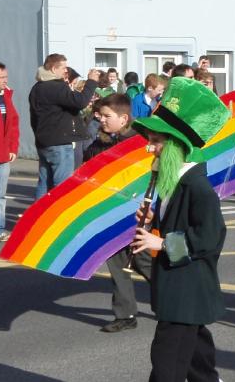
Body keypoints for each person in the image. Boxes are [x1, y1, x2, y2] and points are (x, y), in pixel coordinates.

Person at [130, 77, 230, 381]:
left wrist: (160, 244)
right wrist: (152, 224)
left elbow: (211, 237)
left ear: (175, 145)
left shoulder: (197, 186)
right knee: (198, 365)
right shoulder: (173, 181)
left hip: (187, 291)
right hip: (179, 288)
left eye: (156, 141)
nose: (150, 147)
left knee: (166, 367)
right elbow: (176, 225)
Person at [82, 94, 152, 332]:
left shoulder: (142, 144)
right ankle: (126, 314)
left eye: (106, 116)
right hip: (109, 214)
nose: (101, 119)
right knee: (117, 264)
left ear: (123, 119)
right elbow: (86, 174)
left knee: (143, 261)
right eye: (100, 115)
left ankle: (174, 300)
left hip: (138, 214)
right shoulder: (98, 144)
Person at [29, 53, 99, 199]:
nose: (66, 71)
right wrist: (91, 82)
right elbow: (80, 102)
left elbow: (35, 117)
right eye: (64, 68)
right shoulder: (56, 87)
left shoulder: (37, 88)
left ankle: (40, 219)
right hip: (59, 142)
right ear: (54, 69)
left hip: (44, 141)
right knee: (61, 187)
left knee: (44, 183)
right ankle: (56, 220)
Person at [0, 62, 19, 242]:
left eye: (6, 77)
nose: (5, 80)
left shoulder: (7, 97)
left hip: (4, 154)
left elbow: (14, 125)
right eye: (2, 77)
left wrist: (13, 149)